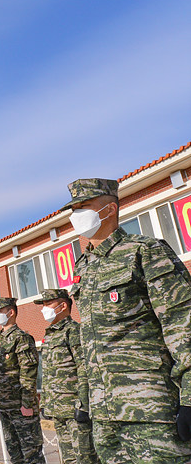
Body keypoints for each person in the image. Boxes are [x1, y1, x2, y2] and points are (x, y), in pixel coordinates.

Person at [62, 178, 191, 463]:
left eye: (83, 207)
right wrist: (85, 400)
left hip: (151, 410)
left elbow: (182, 322)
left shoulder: (144, 251)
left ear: (108, 209)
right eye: (72, 209)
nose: (75, 215)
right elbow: (90, 344)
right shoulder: (84, 266)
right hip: (104, 413)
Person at [35, 289, 98, 464]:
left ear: (63, 306)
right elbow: (48, 374)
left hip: (76, 410)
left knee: (86, 458)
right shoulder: (50, 335)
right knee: (68, 459)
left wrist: (84, 404)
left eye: (48, 304)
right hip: (58, 410)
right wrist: (46, 403)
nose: (43, 309)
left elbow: (84, 368)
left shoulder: (74, 331)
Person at [0, 296, 44, 464]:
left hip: (20, 407)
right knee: (15, 454)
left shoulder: (21, 338)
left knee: (31, 454)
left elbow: (28, 373)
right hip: (4, 406)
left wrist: (27, 403)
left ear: (11, 312)